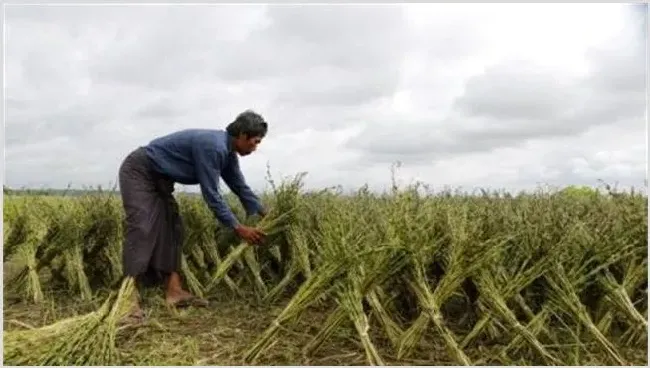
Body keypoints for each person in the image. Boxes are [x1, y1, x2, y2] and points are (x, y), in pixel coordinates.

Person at [117, 110, 269, 321]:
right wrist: (238, 228)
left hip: (160, 180)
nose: (256, 147)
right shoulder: (213, 147)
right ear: (242, 135)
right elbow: (211, 194)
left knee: (173, 227)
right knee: (142, 228)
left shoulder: (227, 153)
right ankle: (127, 300)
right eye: (255, 141)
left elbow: (239, 186)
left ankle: (174, 291)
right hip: (140, 172)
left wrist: (264, 213)